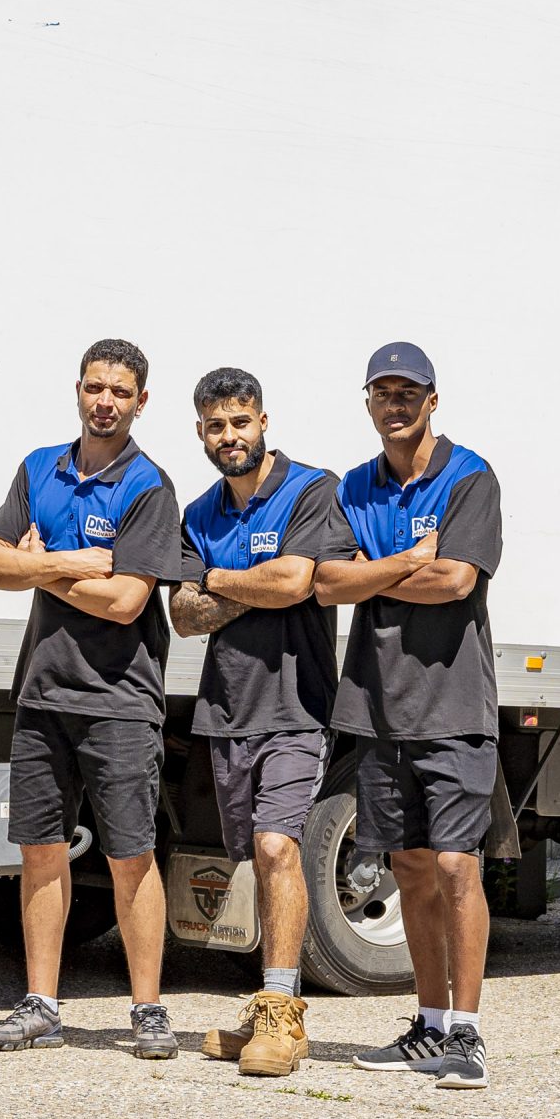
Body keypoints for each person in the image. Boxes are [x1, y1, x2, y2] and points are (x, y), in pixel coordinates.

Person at [0, 338, 184, 1058]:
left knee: (130, 856)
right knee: (40, 852)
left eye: (120, 392)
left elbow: (125, 601)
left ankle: (148, 1011)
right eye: (95, 387)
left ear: (141, 401)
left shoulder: (148, 485)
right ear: (78, 389)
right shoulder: (40, 468)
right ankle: (41, 1006)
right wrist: (68, 564)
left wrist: (34, 565)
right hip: (42, 693)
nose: (105, 402)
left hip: (120, 700)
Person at [315, 342, 504, 1090]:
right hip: (379, 709)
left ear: (433, 400)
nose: (394, 405)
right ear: (368, 402)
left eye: (408, 392)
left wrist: (371, 572)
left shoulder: (470, 476)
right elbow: (328, 584)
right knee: (412, 868)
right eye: (382, 392)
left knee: (457, 865)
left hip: (453, 708)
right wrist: (402, 563)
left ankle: (468, 1032)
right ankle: (428, 1026)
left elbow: (455, 580)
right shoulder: (355, 485)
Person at [168, 368, 355, 1077]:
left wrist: (218, 577)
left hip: (297, 707)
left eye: (240, 422)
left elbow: (297, 580)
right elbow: (183, 616)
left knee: (279, 846)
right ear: (200, 431)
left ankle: (281, 1010)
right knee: (251, 853)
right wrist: (259, 580)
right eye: (216, 426)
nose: (230, 436)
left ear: (263, 421)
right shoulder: (200, 511)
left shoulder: (311, 488)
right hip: (227, 709)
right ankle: (268, 1009)